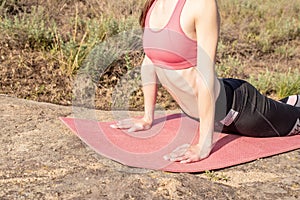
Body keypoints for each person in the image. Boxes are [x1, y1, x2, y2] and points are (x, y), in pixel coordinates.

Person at [111, 0, 300, 164]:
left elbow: (205, 74)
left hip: (239, 111)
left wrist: (204, 144)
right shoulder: (154, 4)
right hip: (206, 110)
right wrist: (147, 118)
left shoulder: (200, 3)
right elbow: (150, 61)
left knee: (292, 118)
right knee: (282, 108)